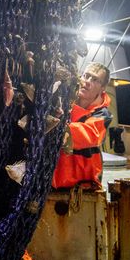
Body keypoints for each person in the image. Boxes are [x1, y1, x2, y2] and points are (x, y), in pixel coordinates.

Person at [52, 62, 113, 190]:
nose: (87, 82)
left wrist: (54, 126)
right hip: (55, 179)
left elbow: (90, 134)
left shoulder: (102, 114)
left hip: (83, 184)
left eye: (95, 79)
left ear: (103, 88)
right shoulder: (64, 101)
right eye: (86, 76)